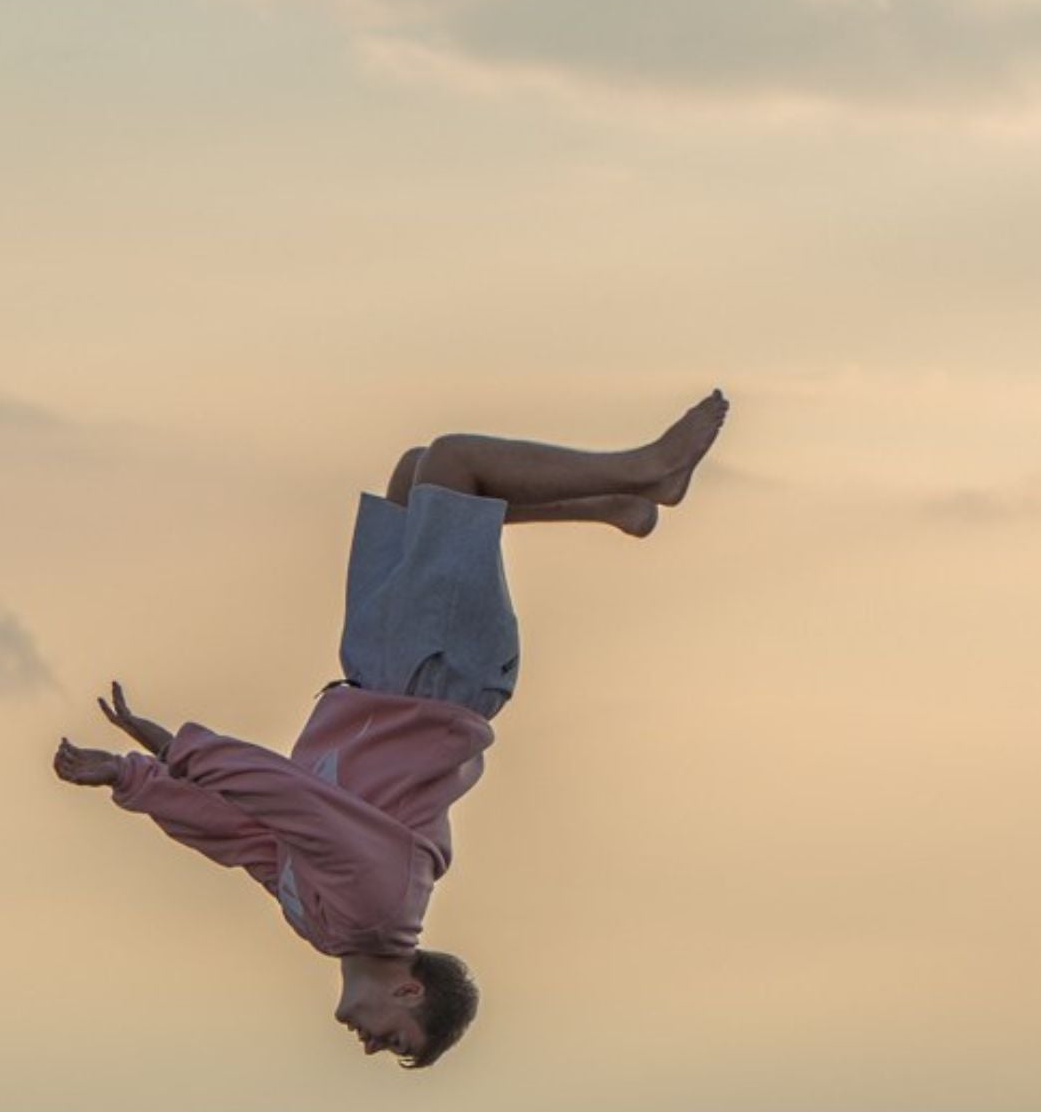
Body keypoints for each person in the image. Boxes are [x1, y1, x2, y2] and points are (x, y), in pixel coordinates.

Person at [53, 393, 729, 1067]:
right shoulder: (379, 906)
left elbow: (246, 837)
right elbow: (296, 803)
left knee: (414, 479)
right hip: (436, 679)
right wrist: (179, 749)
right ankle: (647, 469)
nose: (373, 1046)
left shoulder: (325, 927)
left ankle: (614, 508)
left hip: (378, 677)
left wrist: (131, 777)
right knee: (454, 465)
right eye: (397, 1038)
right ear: (410, 990)